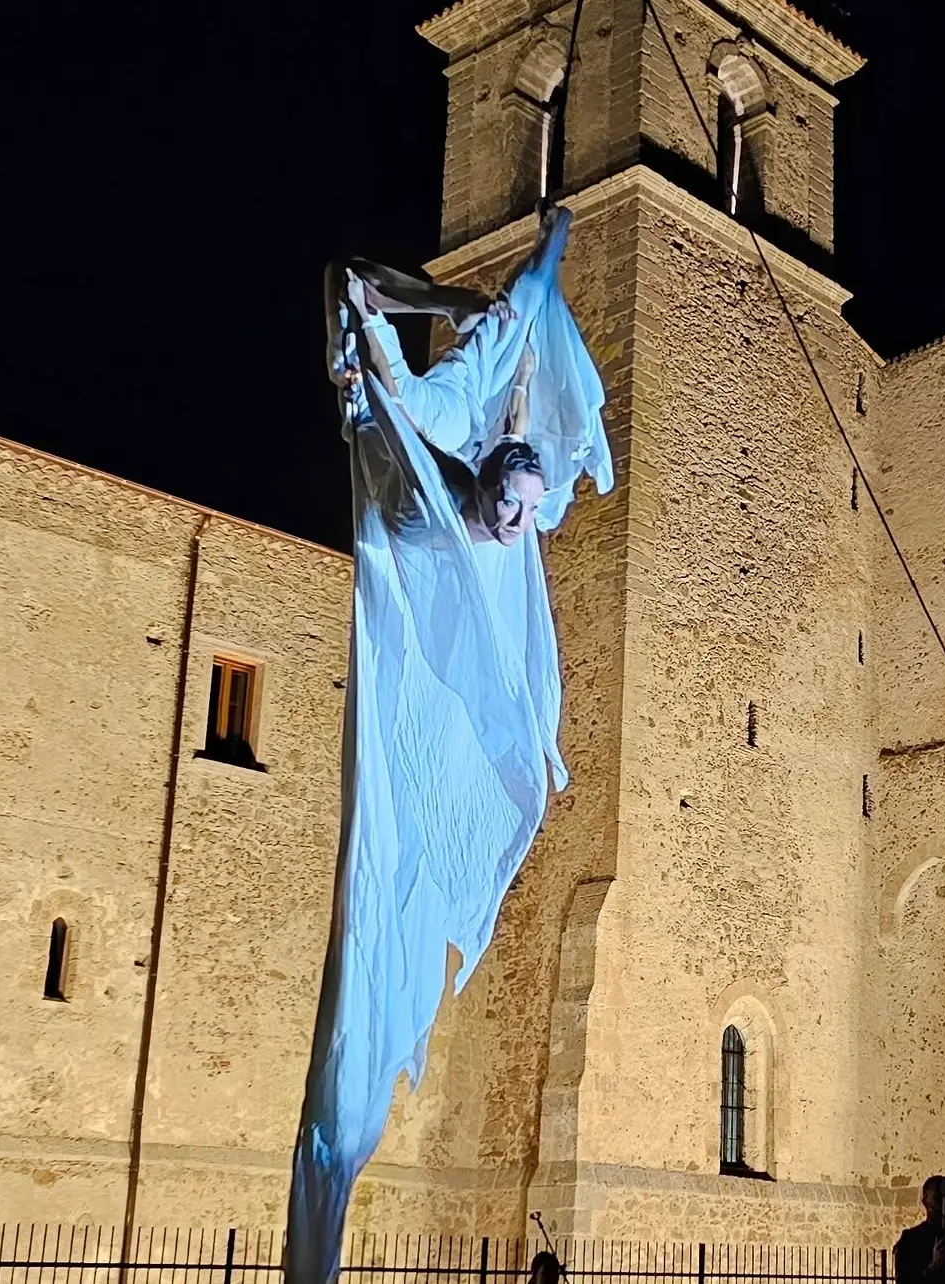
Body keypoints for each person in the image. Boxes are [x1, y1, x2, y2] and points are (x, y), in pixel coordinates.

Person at [286, 204, 613, 1284]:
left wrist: (550, 251)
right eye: (510, 509)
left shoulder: (484, 453)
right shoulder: (419, 477)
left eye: (528, 513)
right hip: (405, 690)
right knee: (379, 890)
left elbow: (516, 319)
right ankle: (327, 1180)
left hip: (464, 721)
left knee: (438, 861)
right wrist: (431, 305)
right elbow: (348, 273)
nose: (521, 530)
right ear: (479, 483)